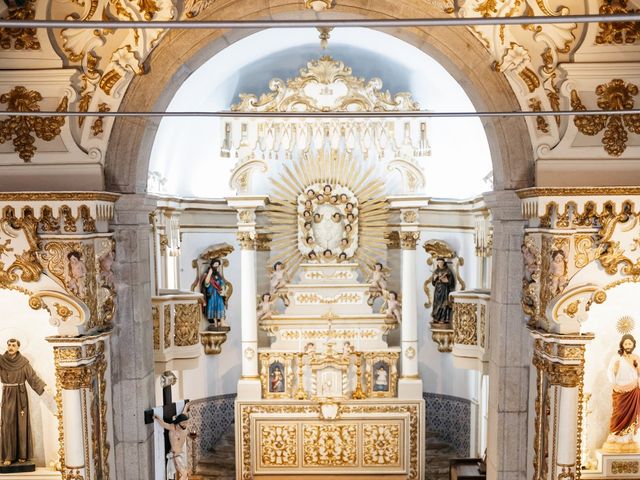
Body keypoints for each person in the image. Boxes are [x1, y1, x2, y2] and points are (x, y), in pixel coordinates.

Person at [0, 339, 48, 466]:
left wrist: (43, 386)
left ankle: (22, 455)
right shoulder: (1, 360)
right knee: (8, 424)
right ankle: (8, 456)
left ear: (18, 347)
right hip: (8, 394)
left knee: (21, 424)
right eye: (9, 345)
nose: (11, 347)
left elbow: (32, 377)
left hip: (20, 395)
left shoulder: (23, 362)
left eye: (13, 345)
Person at [604, 334, 640, 451]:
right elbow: (610, 371)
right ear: (622, 345)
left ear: (633, 344)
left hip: (633, 389)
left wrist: (638, 367)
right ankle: (615, 435)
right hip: (620, 390)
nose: (628, 346)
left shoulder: (636, 357)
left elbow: (639, 373)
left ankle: (629, 437)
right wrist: (614, 378)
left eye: (630, 343)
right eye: (626, 344)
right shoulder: (616, 358)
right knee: (618, 413)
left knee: (633, 414)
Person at [153, 403, 191, 480]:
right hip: (175, 456)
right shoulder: (173, 428)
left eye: (186, 422)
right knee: (184, 474)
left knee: (186, 473)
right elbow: (163, 424)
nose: (185, 425)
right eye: (184, 423)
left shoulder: (183, 425)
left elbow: (183, 414)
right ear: (179, 422)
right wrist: (157, 417)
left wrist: (186, 406)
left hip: (181, 454)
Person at [201, 258, 227, 326]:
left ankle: (222, 321)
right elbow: (206, 284)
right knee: (213, 306)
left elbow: (222, 283)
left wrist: (223, 288)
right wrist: (209, 273)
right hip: (211, 293)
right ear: (212, 265)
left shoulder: (218, 274)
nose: (216, 266)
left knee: (220, 306)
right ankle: (215, 322)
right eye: (215, 265)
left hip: (218, 294)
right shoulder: (208, 274)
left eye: (217, 265)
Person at [431, 258, 455, 323]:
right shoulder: (436, 271)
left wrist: (445, 279)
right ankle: (436, 318)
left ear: (443, 263)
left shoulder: (448, 271)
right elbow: (433, 283)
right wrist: (434, 278)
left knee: (444, 304)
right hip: (437, 290)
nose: (439, 264)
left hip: (445, 290)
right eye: (438, 263)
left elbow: (451, 283)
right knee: (437, 304)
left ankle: (443, 319)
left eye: (441, 263)